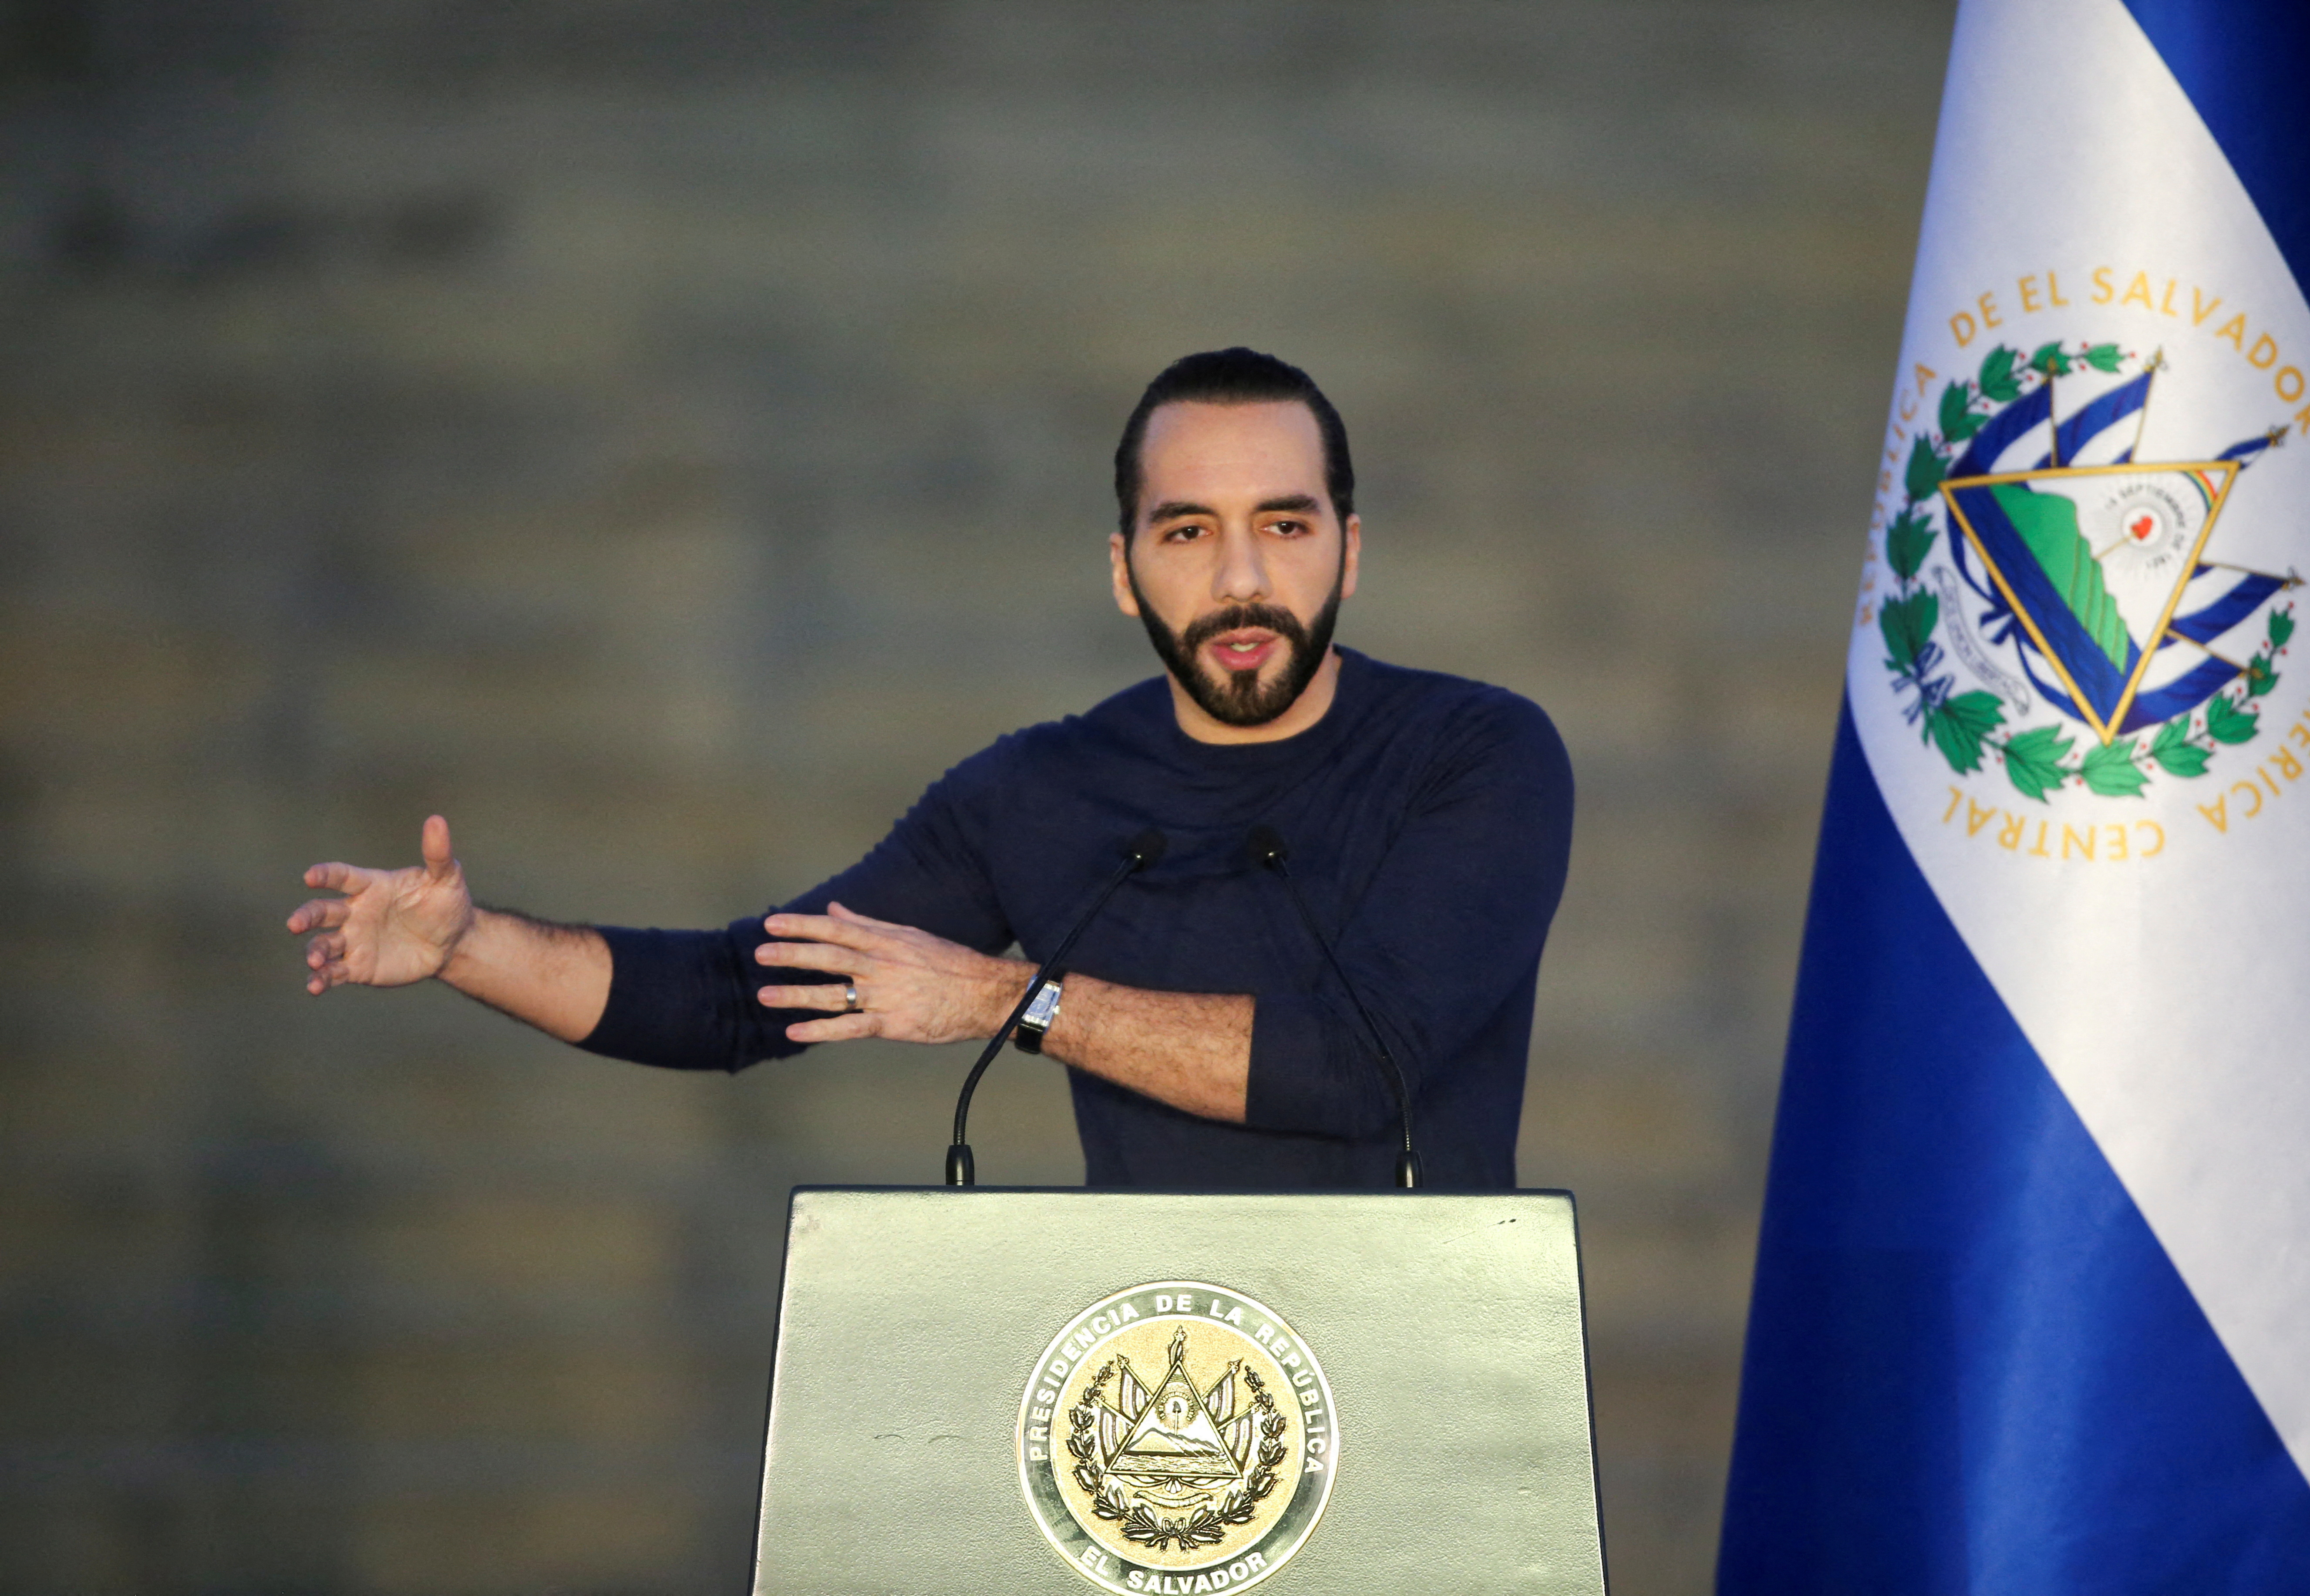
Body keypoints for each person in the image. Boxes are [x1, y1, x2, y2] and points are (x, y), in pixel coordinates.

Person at [286, 348, 1573, 1189]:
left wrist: (1009, 1001)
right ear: (1125, 572)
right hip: (1147, 1391)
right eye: (1188, 531)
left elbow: (1357, 1065)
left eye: (1282, 526)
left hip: (1423, 1381)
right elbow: (741, 995)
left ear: (1348, 551)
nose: (1241, 579)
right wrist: (467, 946)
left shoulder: (1475, 756)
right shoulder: (1043, 793)